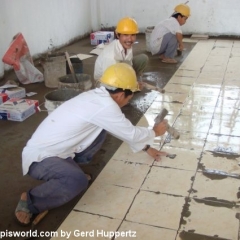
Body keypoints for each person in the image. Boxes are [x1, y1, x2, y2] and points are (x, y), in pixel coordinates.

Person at [15, 63, 168, 226]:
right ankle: (31, 201)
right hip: (40, 159)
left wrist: (146, 147)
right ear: (120, 95)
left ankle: (70, 169)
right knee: (76, 182)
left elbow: (120, 130)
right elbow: (129, 132)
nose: (127, 102)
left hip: (59, 151)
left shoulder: (98, 96)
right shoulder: (106, 107)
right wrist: (154, 132)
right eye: (129, 98)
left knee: (102, 130)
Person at [94, 17, 149, 83]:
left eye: (133, 35)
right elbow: (110, 81)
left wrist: (133, 80)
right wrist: (132, 86)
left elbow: (129, 63)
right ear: (118, 35)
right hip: (105, 82)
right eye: (125, 35)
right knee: (126, 90)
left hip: (119, 69)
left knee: (143, 58)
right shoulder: (111, 57)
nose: (130, 39)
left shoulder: (126, 45)